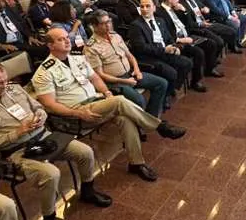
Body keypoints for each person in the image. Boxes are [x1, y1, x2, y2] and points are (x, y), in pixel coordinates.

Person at [0, 64, 112, 220]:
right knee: (51, 174)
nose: (5, 85)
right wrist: (15, 134)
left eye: (6, 80)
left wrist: (40, 116)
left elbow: (39, 107)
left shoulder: (14, 89)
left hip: (44, 138)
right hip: (17, 150)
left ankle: (88, 191)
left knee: (85, 152)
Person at [31, 29, 186, 182]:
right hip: (77, 113)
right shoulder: (43, 72)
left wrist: (106, 93)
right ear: (50, 45)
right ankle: (159, 126)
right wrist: (77, 113)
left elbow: (95, 78)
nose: (66, 41)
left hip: (96, 102)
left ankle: (137, 163)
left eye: (67, 37)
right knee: (119, 101)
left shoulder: (77, 58)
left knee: (125, 119)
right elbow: (49, 105)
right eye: (60, 39)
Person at [85, 9, 170, 118]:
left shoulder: (116, 36)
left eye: (109, 21)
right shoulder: (91, 47)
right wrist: (124, 81)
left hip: (130, 74)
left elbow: (129, 55)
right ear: (94, 26)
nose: (108, 25)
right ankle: (143, 122)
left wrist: (136, 69)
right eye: (104, 23)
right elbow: (100, 75)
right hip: (115, 82)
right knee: (139, 100)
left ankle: (150, 117)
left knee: (161, 83)